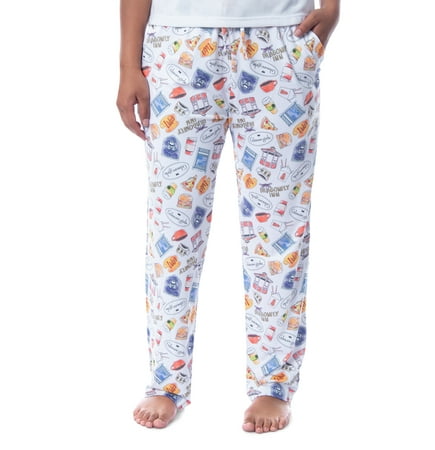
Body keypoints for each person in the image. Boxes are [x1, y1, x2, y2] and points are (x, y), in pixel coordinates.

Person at [116, 0, 339, 433]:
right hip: (179, 45)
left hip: (281, 37)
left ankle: (273, 383)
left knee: (278, 225)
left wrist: (331, 7)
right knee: (173, 224)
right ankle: (166, 379)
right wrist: (128, 65)